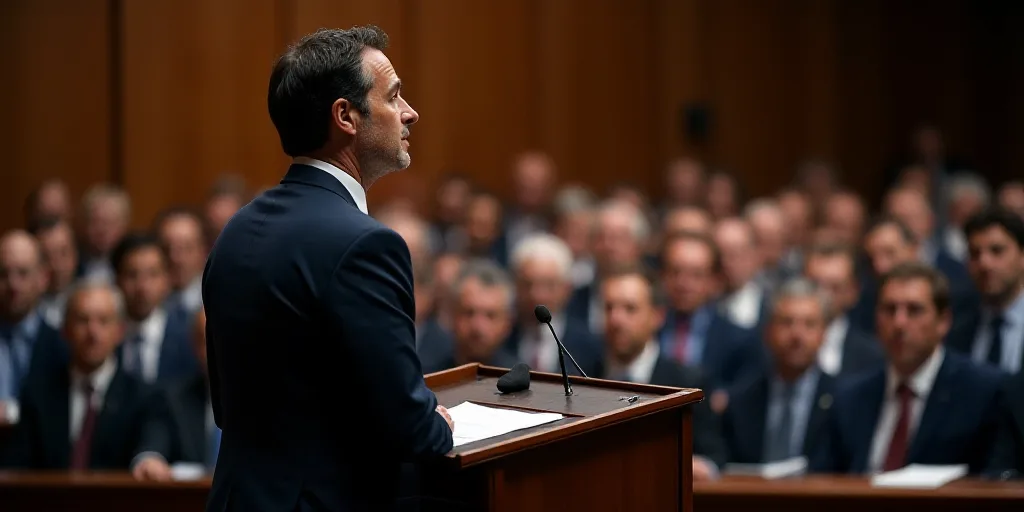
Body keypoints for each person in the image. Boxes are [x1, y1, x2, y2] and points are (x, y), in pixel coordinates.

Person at [201, 26, 454, 511]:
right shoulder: (366, 245)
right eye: (394, 96)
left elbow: (227, 405)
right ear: (346, 116)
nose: (410, 112)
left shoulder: (236, 230)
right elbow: (415, 432)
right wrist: (437, 421)